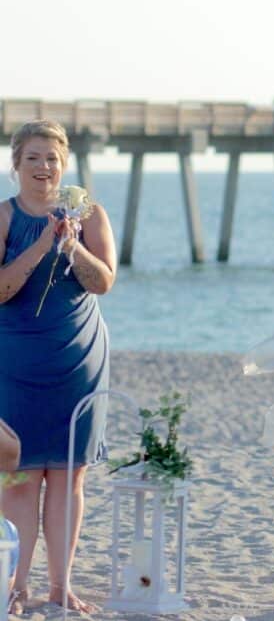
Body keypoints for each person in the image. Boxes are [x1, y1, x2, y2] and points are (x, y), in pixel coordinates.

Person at [0, 119, 116, 614]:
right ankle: (16, 583)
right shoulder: (4, 217)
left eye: (51, 159)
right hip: (15, 360)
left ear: (64, 165)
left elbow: (103, 282)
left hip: (78, 357)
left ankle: (60, 586)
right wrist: (44, 246)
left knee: (69, 475)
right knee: (20, 475)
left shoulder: (90, 213)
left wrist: (74, 246)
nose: (43, 167)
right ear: (16, 165)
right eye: (33, 158)